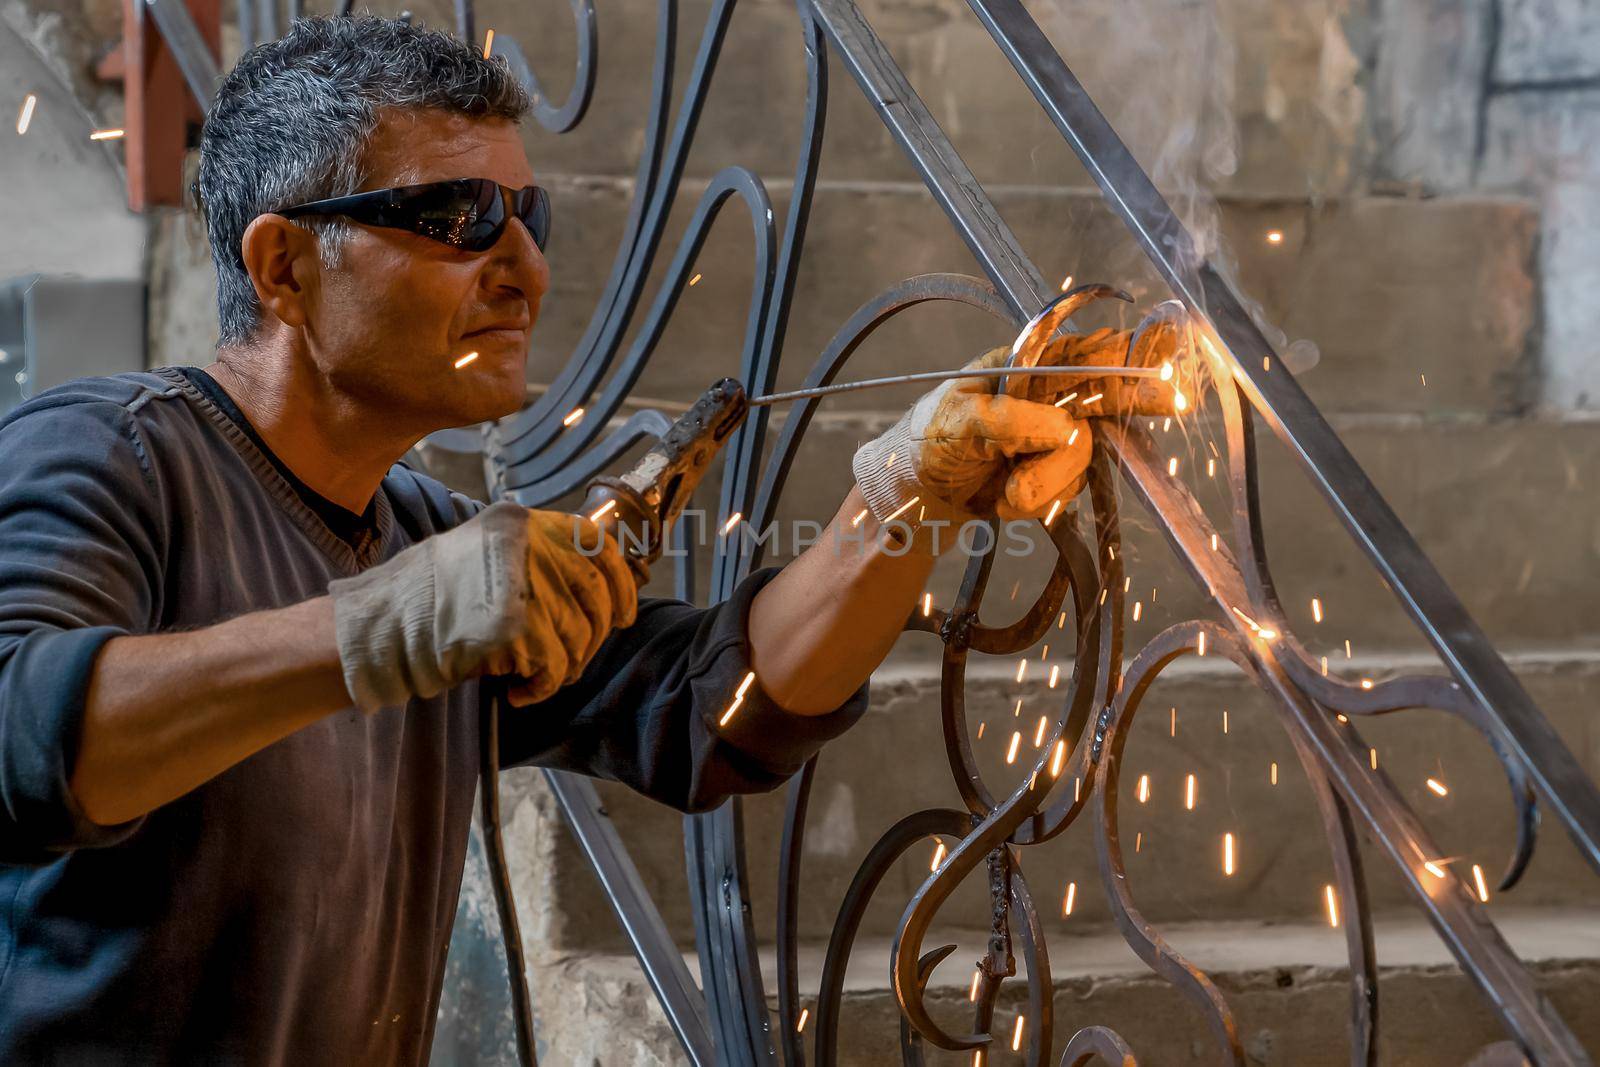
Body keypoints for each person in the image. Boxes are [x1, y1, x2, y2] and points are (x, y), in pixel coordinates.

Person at [0, 15, 1160, 1063]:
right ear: (284, 266)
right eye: (457, 219)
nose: (524, 268)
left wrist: (906, 494)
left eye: (528, 216)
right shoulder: (111, 456)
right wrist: (383, 625)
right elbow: (21, 733)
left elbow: (714, 709)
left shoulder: (422, 536)